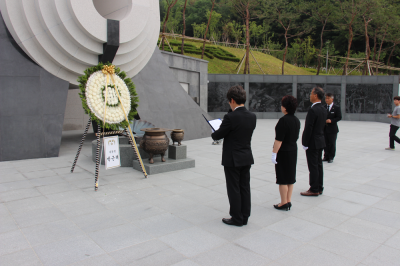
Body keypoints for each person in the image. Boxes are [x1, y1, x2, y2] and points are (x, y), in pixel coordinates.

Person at [211, 85, 257, 226]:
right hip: (246, 156)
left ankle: (236, 218)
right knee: (244, 187)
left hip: (232, 159)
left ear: (231, 100)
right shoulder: (252, 116)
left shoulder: (230, 117)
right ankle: (244, 216)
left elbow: (217, 135)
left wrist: (215, 129)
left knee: (234, 188)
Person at [271, 95, 300, 211]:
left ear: (285, 108)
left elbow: (278, 140)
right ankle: (288, 200)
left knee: (282, 177)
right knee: (290, 177)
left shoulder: (283, 121)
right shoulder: (296, 120)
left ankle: (283, 202)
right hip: (293, 149)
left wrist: (274, 153)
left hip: (283, 151)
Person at [301, 87, 327, 196]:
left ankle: (314, 188)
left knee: (313, 166)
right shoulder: (323, 108)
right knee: (318, 165)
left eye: (311, 93)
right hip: (320, 141)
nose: (310, 95)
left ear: (316, 95)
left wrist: (304, 142)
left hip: (313, 142)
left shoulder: (313, 110)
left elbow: (308, 128)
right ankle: (319, 187)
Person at [323, 93, 342, 163]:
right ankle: (326, 156)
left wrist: (331, 121)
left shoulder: (336, 107)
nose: (326, 100)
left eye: (328, 98)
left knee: (332, 143)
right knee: (325, 143)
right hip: (325, 129)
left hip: (332, 129)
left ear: (332, 99)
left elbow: (339, 117)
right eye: (326, 98)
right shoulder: (324, 107)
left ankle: (331, 157)